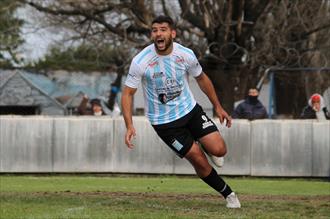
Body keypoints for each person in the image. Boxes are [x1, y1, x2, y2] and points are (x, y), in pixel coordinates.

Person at [121, 15, 241, 208]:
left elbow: (202, 78)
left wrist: (218, 106)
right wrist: (129, 125)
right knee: (198, 160)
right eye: (154, 30)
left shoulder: (185, 54)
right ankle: (229, 194)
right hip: (165, 124)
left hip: (190, 111)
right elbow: (127, 94)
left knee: (219, 150)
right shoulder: (141, 61)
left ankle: (206, 146)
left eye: (163, 29)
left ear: (172, 33)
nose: (158, 33)